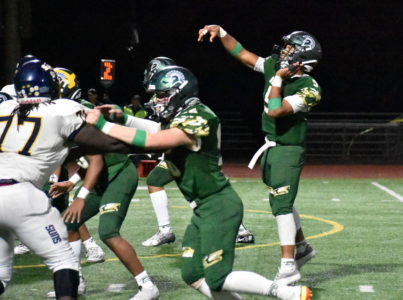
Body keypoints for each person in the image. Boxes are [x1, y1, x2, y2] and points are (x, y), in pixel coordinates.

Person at [87, 65, 312, 299]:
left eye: (162, 95)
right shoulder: (182, 116)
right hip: (203, 210)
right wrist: (124, 118)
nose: (156, 100)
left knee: (217, 277)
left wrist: (104, 125)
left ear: (180, 92)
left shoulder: (200, 116)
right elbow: (156, 128)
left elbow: (154, 140)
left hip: (218, 206)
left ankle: (288, 293)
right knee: (192, 274)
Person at [0, 58, 135, 300]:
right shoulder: (60, 109)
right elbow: (109, 144)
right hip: (20, 194)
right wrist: (156, 140)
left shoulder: (3, 108)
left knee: (0, 275)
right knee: (64, 261)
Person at [198, 25, 322, 284]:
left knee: (281, 205)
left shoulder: (309, 87)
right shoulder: (275, 67)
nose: (283, 51)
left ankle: (289, 266)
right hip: (271, 147)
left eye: (290, 49)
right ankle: (302, 248)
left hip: (288, 150)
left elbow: (275, 111)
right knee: (281, 201)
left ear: (301, 59)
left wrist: (277, 79)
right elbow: (242, 54)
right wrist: (221, 32)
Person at [48, 68, 160, 300]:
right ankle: (75, 282)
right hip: (99, 176)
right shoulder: (63, 112)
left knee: (108, 231)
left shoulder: (78, 112)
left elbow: (97, 160)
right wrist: (72, 181)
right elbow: (88, 159)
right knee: (66, 225)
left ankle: (147, 286)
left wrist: (80, 195)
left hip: (117, 173)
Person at [140, 56, 255, 247]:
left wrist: (111, 128)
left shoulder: (193, 110)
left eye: (161, 93)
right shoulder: (171, 103)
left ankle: (237, 229)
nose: (156, 98)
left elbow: (158, 137)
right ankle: (166, 230)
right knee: (159, 180)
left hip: (195, 156)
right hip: (180, 153)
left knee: (201, 189)